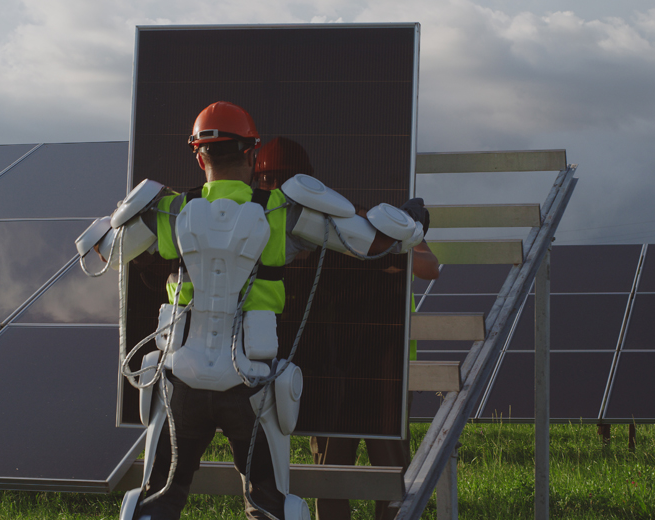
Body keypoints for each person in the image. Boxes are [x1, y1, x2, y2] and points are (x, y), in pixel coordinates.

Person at [76, 101, 429, 520]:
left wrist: (125, 212)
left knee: (158, 499)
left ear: (198, 154)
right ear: (252, 153)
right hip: (251, 386)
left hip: (180, 383)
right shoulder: (281, 212)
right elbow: (375, 243)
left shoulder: (169, 211)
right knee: (269, 506)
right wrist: (411, 221)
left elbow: (101, 255)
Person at [253, 137, 439, 520]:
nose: (275, 190)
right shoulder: (281, 231)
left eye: (280, 180)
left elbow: (428, 266)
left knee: (389, 471)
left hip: (381, 369)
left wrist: (398, 238)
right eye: (268, 181)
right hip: (328, 365)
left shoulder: (358, 223)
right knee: (330, 472)